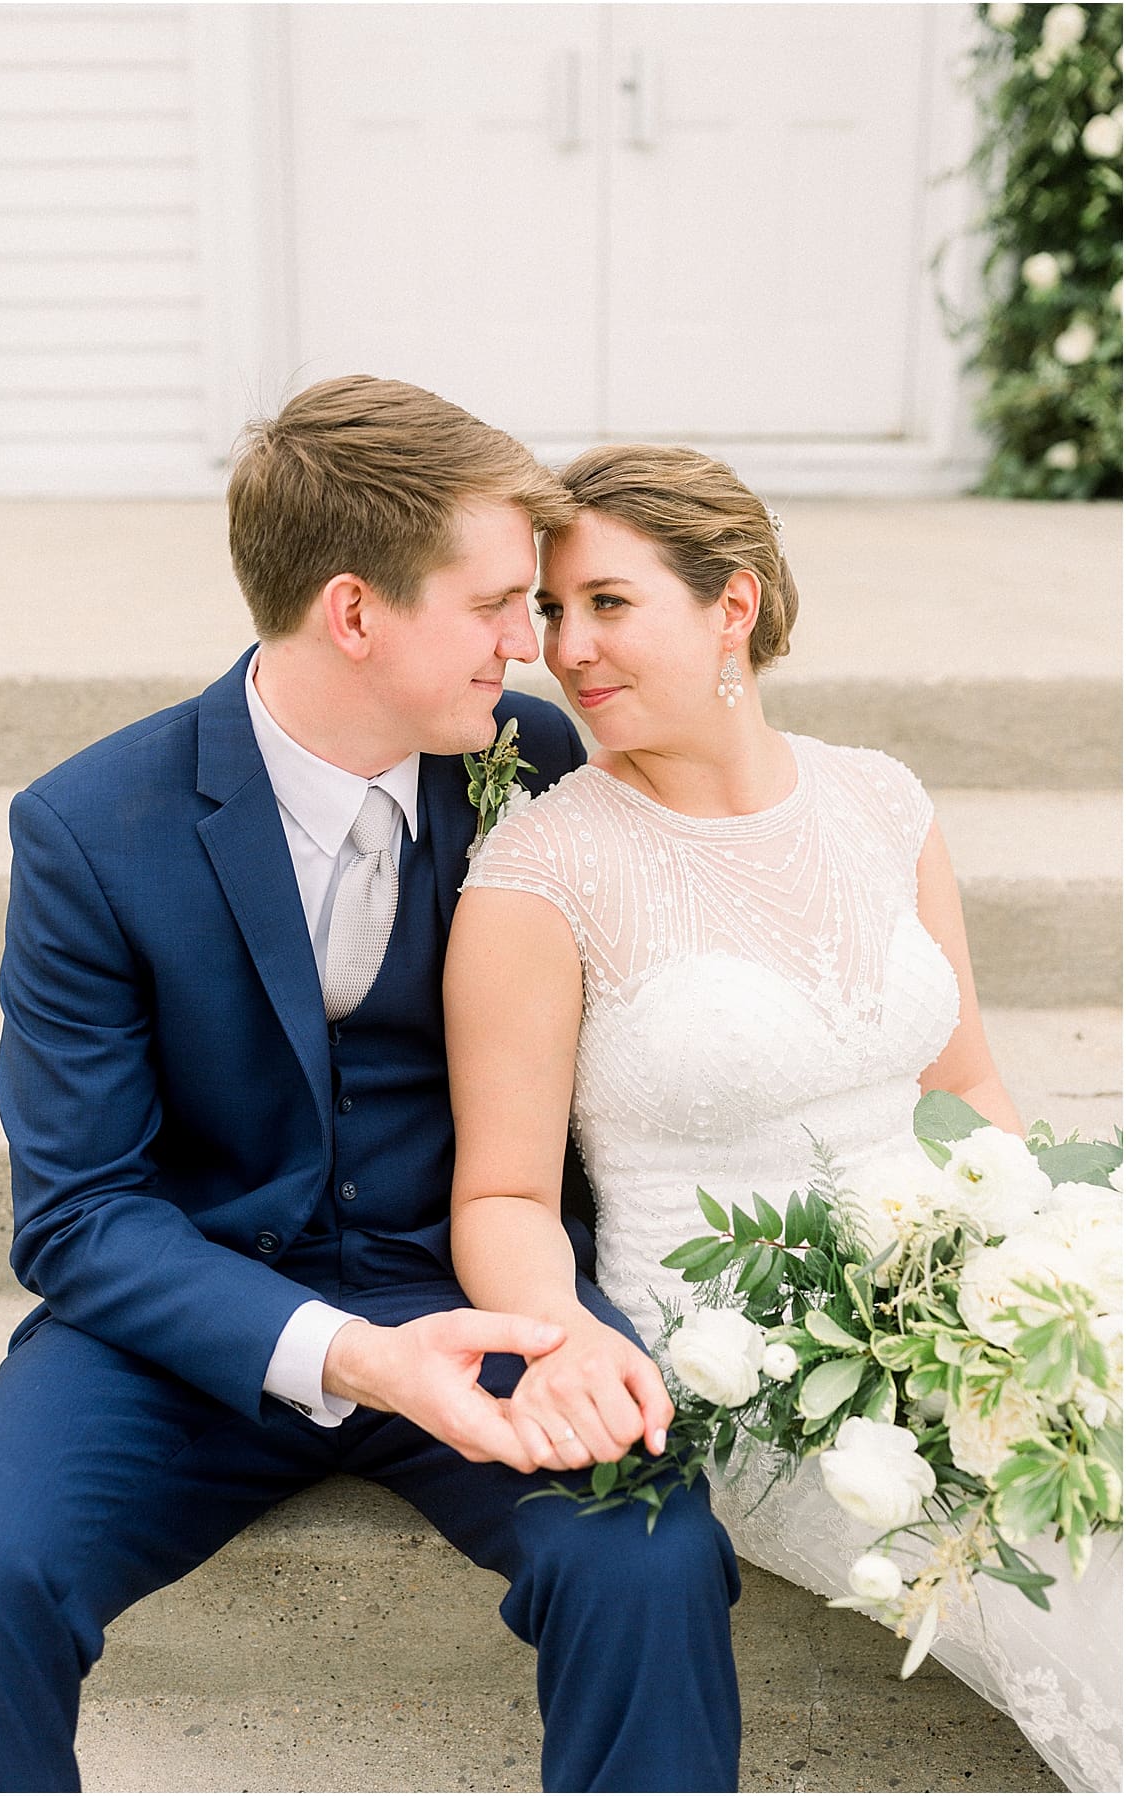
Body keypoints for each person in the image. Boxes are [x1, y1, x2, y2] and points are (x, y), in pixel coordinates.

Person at [0, 383, 744, 1796]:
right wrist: (353, 1355)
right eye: (494, 605)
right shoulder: (93, 829)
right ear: (354, 613)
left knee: (650, 1551)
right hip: (193, 1320)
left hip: (481, 1285)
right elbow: (76, 1215)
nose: (530, 642)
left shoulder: (535, 765)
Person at [450, 443, 1122, 1794]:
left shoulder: (882, 800)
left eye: (609, 603)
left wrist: (1053, 1273)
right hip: (756, 1368)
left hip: (959, 1291)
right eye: (551, 611)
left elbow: (964, 1090)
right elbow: (503, 1197)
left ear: (735, 606)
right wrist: (572, 1347)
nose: (566, 649)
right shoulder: (540, 871)